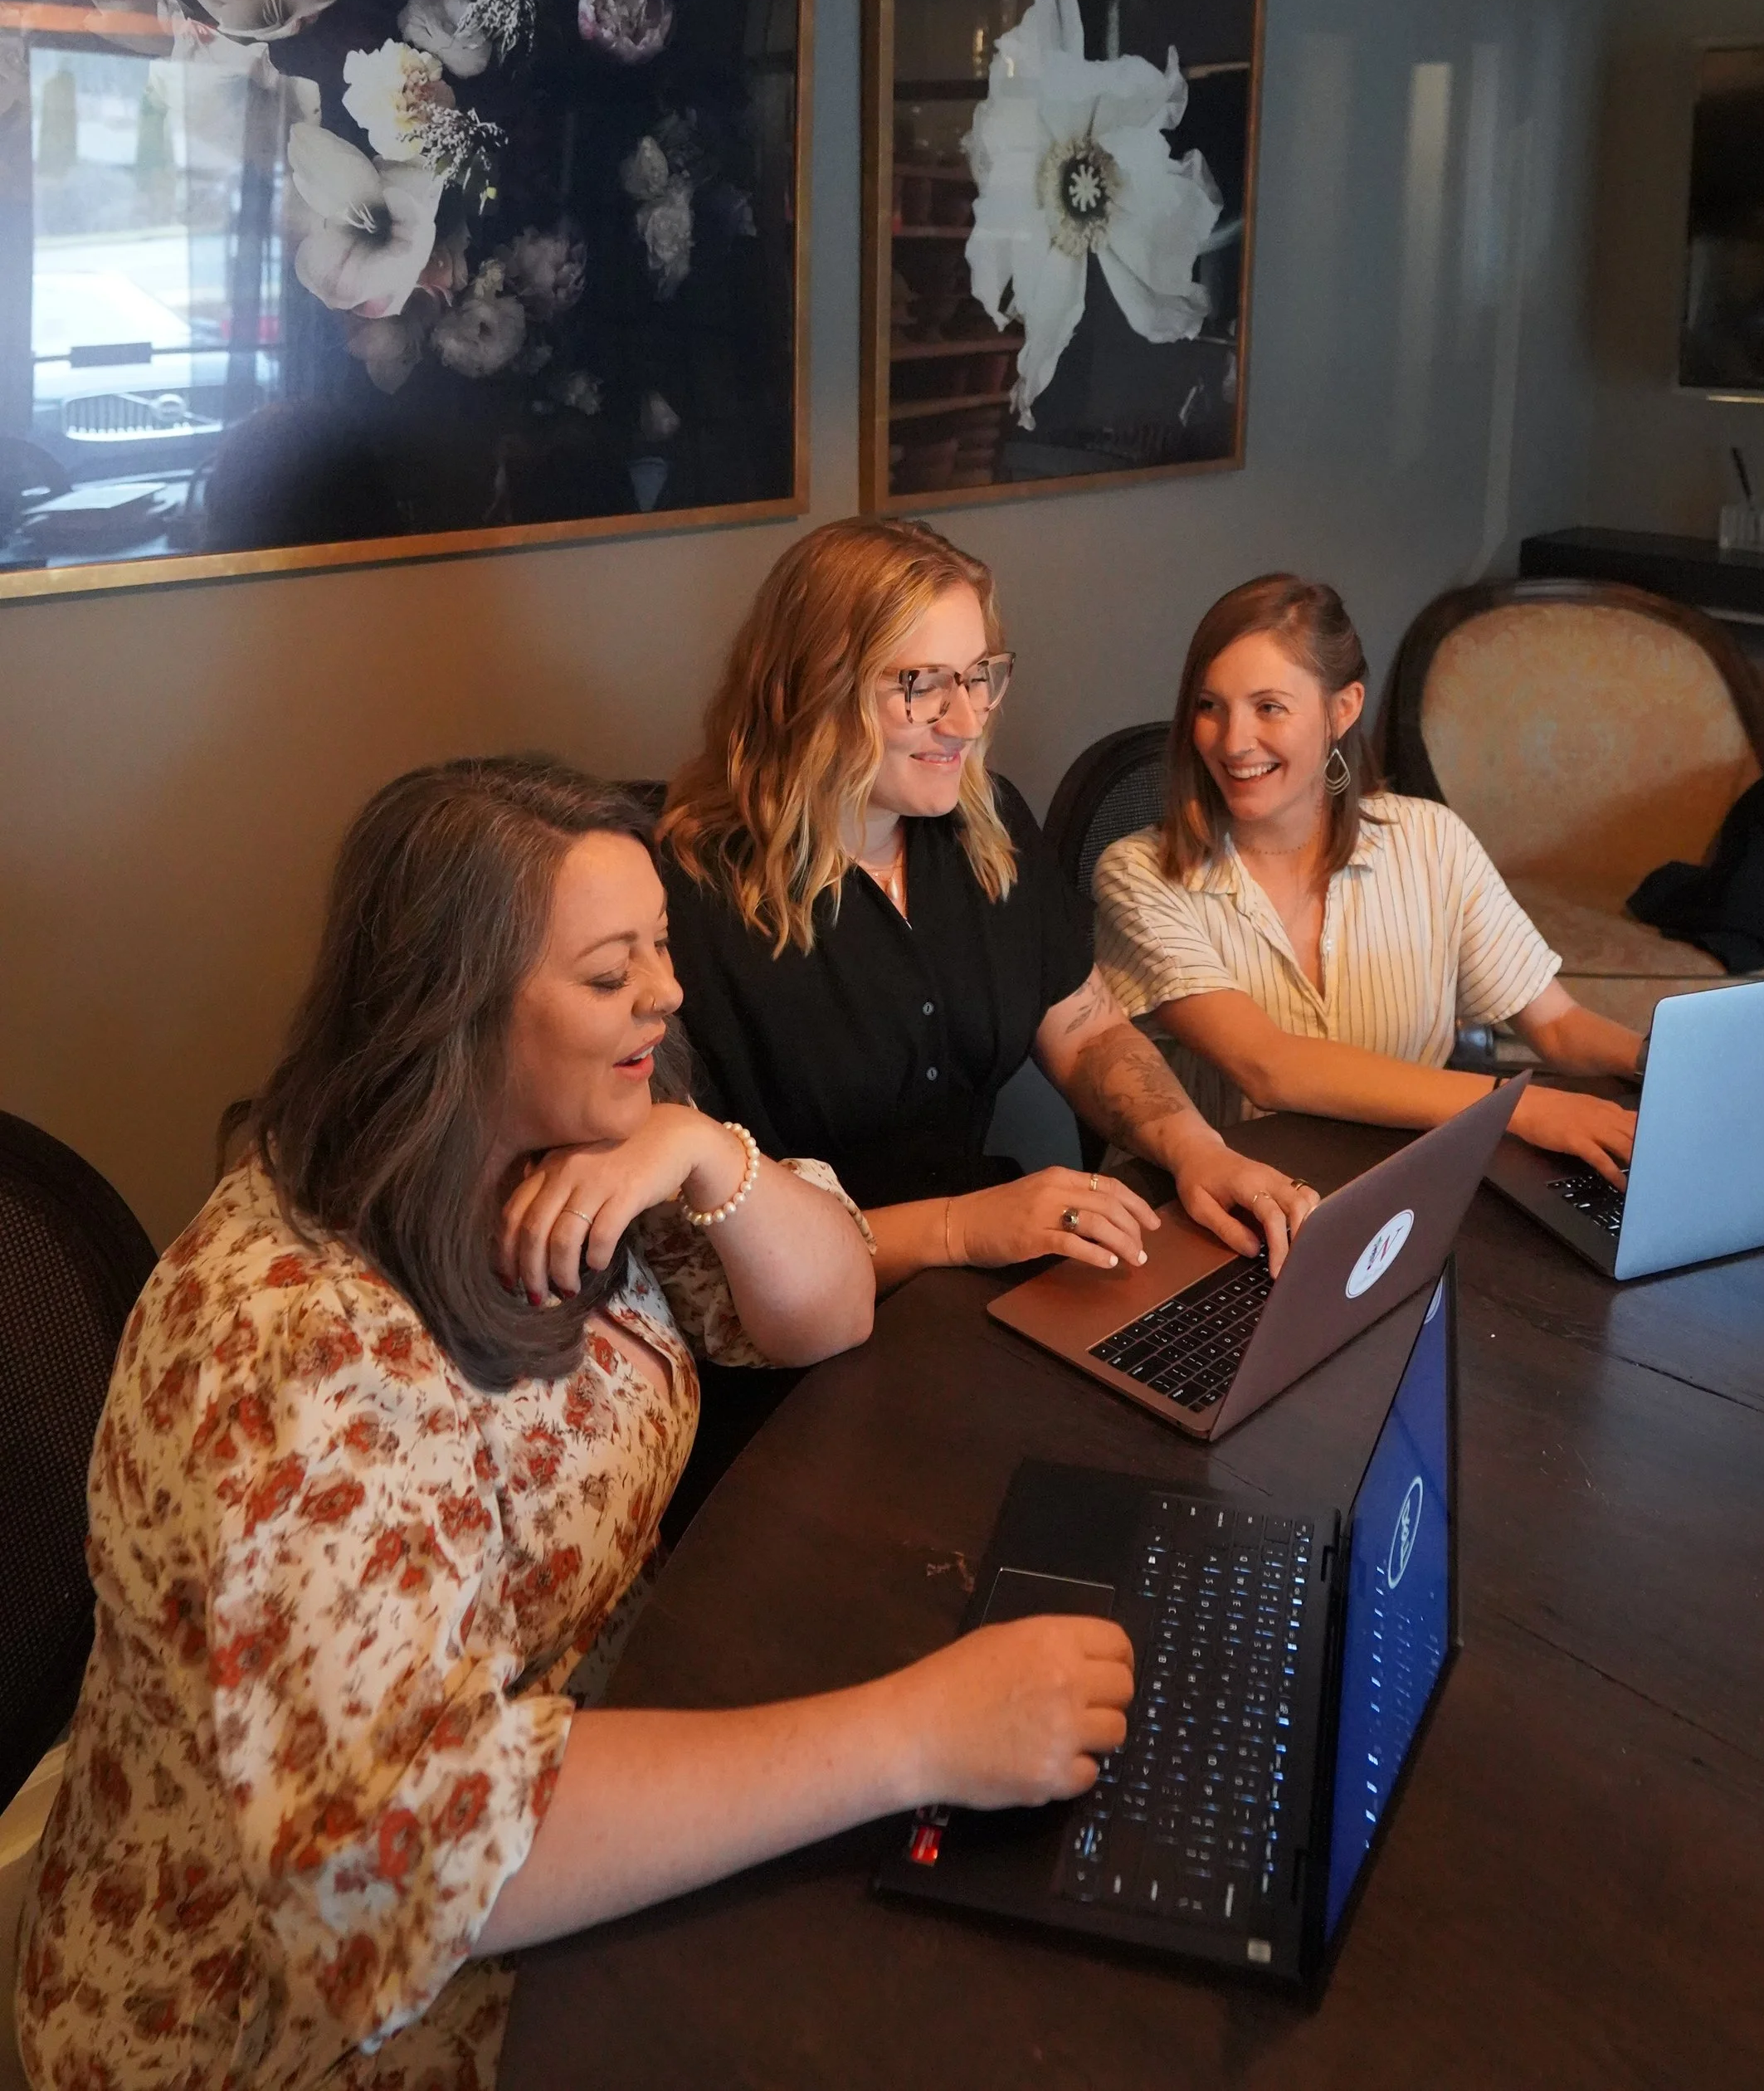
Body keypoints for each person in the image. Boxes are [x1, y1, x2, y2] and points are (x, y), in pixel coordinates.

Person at [17, 758, 1133, 2091]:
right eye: (612, 974)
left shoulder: (565, 1146)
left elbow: (823, 1307)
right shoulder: (297, 1343)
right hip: (284, 2007)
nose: (666, 989)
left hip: (576, 1774)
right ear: (455, 1013)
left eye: (659, 946)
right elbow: (403, 1863)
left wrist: (700, 1150)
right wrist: (913, 1733)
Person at [658, 519, 1320, 1291]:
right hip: (804, 1326)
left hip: (982, 1267)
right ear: (808, 688)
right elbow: (694, 1245)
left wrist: (1197, 1151)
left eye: (977, 676)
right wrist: (962, 1227)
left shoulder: (986, 825)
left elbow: (1086, 1033)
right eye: (919, 685)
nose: (967, 721)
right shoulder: (684, 899)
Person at [1094, 575, 1644, 1182]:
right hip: (1215, 1215)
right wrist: (1521, 1107)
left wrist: (1669, 1066)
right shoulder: (1140, 875)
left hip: (1392, 1199)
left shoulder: (1432, 842)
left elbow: (1559, 1026)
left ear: (1343, 709)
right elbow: (1268, 1067)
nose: (1233, 741)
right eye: (1209, 707)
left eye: (1268, 707)